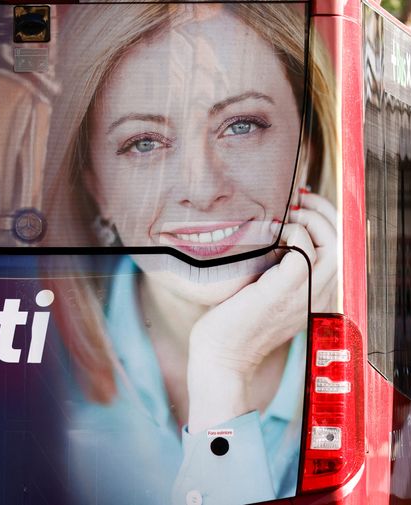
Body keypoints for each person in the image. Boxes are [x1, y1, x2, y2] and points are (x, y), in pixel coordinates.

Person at [42, 4, 338, 504]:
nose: (201, 189)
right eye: (143, 143)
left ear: (306, 147)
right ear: (94, 183)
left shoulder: (377, 363)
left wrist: (223, 367)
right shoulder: (30, 363)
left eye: (241, 125)